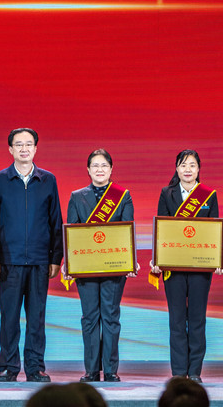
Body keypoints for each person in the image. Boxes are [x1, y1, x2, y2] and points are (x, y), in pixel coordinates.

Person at [0, 127, 63, 383]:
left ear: (36, 148)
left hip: (40, 260)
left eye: (29, 144)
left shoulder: (48, 180)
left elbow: (55, 221)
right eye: (19, 144)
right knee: (9, 318)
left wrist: (55, 258)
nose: (24, 148)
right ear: (10, 149)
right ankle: (8, 366)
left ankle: (35, 367)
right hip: (9, 260)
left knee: (37, 318)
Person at [150, 149, 223, 383]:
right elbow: (161, 229)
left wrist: (218, 258)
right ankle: (178, 372)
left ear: (199, 168)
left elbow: (214, 231)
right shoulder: (167, 193)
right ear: (176, 168)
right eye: (183, 165)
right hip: (173, 266)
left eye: (192, 165)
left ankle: (194, 372)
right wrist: (158, 259)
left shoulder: (208, 195)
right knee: (176, 319)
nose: (188, 169)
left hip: (200, 267)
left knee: (197, 319)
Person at [66, 149, 135, 383]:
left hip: (113, 266)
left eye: (104, 165)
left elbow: (126, 230)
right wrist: (70, 263)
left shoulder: (123, 196)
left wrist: (128, 260)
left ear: (111, 169)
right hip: (85, 266)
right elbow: (72, 232)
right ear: (88, 169)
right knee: (89, 317)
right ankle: (92, 370)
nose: (99, 169)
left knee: (111, 317)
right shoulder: (77, 197)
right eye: (95, 165)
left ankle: (111, 370)